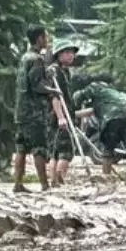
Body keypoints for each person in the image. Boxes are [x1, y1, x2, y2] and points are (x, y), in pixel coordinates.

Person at [14, 26, 55, 193]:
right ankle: (44, 184)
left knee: (21, 148)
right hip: (34, 112)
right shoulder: (37, 60)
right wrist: (52, 90)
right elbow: (37, 86)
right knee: (39, 147)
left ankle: (18, 183)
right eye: (45, 37)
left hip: (21, 111)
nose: (47, 39)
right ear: (39, 39)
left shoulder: (24, 58)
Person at [73, 80, 126, 175]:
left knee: (107, 152)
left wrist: (70, 109)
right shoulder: (112, 94)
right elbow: (89, 112)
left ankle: (106, 176)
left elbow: (78, 97)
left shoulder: (93, 88)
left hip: (112, 119)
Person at [45, 42, 77, 186]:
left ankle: (55, 181)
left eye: (72, 52)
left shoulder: (65, 72)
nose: (72, 55)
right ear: (60, 54)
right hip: (58, 115)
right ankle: (58, 179)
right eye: (68, 52)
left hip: (65, 115)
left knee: (56, 150)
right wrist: (61, 117)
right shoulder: (54, 71)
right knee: (66, 150)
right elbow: (55, 96)